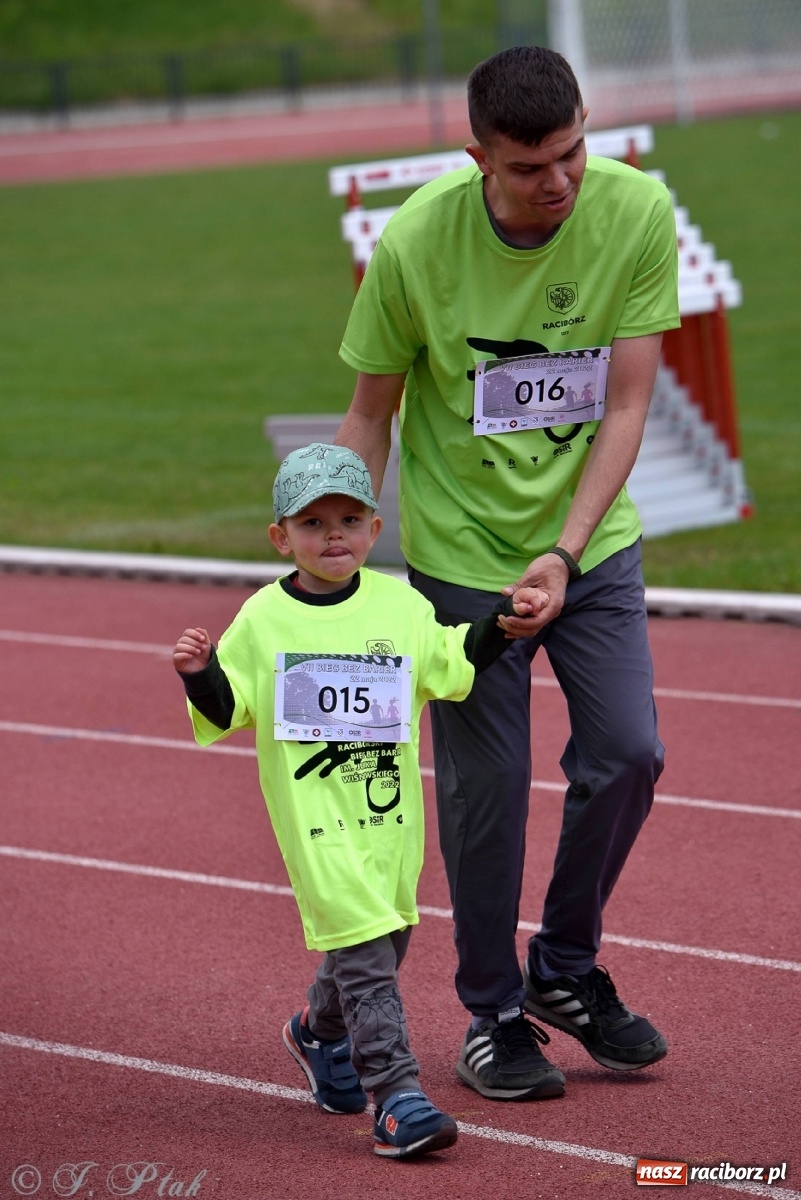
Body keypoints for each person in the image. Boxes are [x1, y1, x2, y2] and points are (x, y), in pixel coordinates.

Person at [335, 45, 681, 1101]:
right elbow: (371, 412)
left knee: (629, 754)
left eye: (573, 153)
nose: (560, 181)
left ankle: (564, 972)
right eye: (532, 166)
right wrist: (335, 564)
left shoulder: (635, 210)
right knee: (488, 800)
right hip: (460, 564)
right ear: (478, 155)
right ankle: (490, 1015)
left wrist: (566, 552)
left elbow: (626, 404)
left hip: (588, 541)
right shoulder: (416, 245)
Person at [172, 442, 555, 1158]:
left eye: (349, 518)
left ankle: (316, 1034)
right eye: (312, 524)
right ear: (280, 537)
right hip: (317, 828)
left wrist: (502, 621)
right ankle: (397, 1096)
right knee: (368, 961)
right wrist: (198, 673)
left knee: (384, 941)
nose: (334, 535)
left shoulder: (399, 604)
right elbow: (227, 709)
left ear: (376, 530)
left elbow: (450, 660)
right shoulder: (261, 619)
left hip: (389, 822)